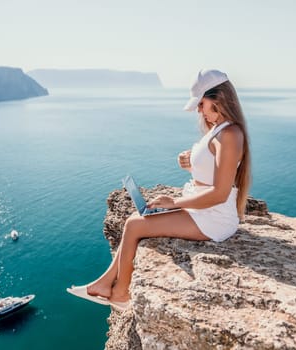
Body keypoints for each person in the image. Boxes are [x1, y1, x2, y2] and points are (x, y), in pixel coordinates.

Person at [67, 69, 251, 312]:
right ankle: (103, 284)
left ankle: (121, 294)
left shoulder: (230, 133)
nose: (199, 110)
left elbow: (219, 193)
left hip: (214, 217)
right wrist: (190, 162)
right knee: (135, 219)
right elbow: (212, 168)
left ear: (218, 98)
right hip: (203, 210)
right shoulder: (220, 129)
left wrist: (174, 202)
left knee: (134, 225)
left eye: (201, 103)